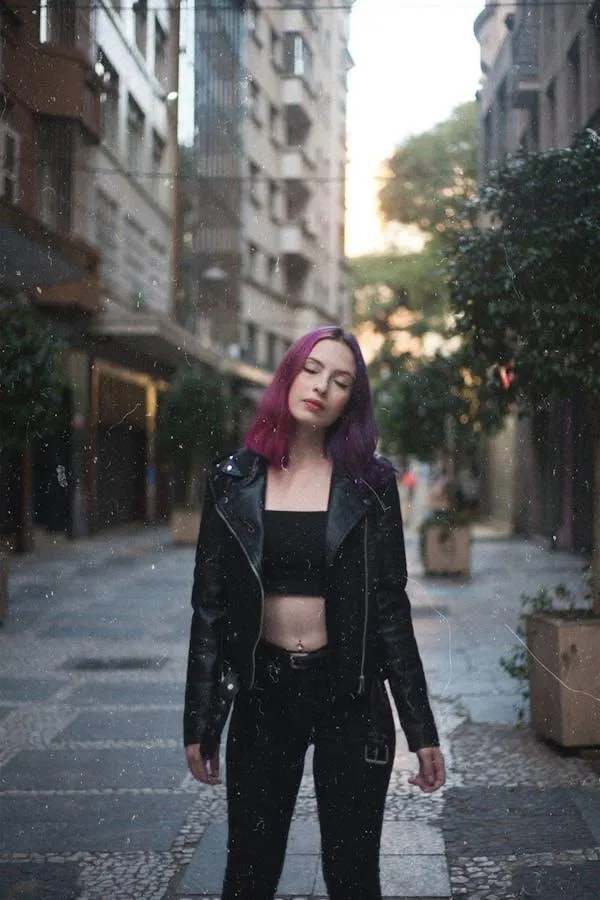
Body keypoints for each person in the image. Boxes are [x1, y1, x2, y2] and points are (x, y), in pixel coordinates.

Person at [184, 326, 445, 900]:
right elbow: (210, 609)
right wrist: (200, 721)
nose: (322, 387)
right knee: (248, 875)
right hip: (263, 696)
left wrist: (420, 728)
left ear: (351, 400)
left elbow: (390, 609)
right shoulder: (233, 481)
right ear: (289, 375)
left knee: (352, 877)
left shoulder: (371, 484)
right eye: (312, 370)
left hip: (349, 697)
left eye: (341, 381)